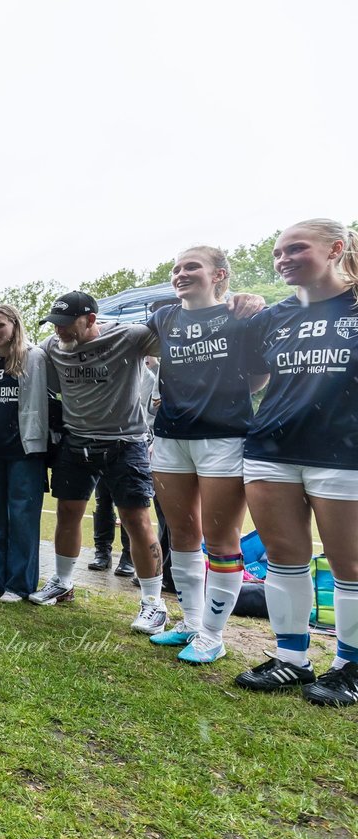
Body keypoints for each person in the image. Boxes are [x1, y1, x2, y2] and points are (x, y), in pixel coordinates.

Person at [30, 289, 262, 632]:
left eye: (66, 324)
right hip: (76, 442)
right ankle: (63, 583)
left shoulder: (131, 336)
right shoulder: (52, 346)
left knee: (137, 521)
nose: (59, 330)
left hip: (126, 443)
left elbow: (188, 343)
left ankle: (153, 604)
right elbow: (19, 355)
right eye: (54, 324)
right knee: (67, 513)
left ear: (91, 319)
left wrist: (239, 306)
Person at [235, 218, 358, 706]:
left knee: (349, 566)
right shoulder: (272, 317)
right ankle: (292, 660)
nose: (283, 259)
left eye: (296, 249)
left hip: (344, 454)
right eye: (277, 253)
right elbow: (253, 382)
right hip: (271, 451)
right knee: (285, 562)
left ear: (336, 248)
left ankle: (350, 666)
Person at [145, 248, 265, 663]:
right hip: (170, 438)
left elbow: (260, 373)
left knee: (221, 539)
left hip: (224, 438)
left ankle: (213, 635)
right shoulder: (163, 317)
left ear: (219, 274)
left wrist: (222, 398)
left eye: (191, 267)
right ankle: (192, 623)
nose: (180, 274)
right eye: (176, 268)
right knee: (182, 535)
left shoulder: (241, 314)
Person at [0, 306, 50, 602]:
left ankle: (19, 584)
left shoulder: (35, 357)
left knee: (22, 519)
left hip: (24, 452)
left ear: (14, 325)